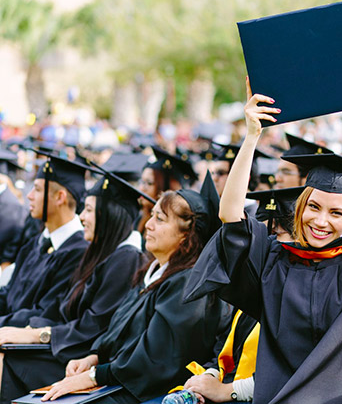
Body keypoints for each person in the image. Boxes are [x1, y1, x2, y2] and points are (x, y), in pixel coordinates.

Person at [183, 60, 342, 403]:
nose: (321, 221)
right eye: (314, 207)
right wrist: (251, 135)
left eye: (336, 212)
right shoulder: (274, 261)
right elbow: (230, 216)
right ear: (300, 207)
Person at [38, 173, 223, 403]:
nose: (149, 225)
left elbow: (156, 358)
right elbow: (120, 329)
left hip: (151, 392)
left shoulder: (188, 284)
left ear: (187, 235)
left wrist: (95, 376)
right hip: (121, 382)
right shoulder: (153, 273)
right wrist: (94, 358)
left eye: (161, 219)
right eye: (151, 216)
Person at [0, 170, 150, 403]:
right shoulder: (98, 254)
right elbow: (61, 311)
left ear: (108, 214)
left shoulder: (126, 258)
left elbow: (94, 326)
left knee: (3, 359)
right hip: (68, 351)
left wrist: (37, 335)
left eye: (89, 210)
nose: (81, 217)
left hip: (79, 358)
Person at [0, 152, 91, 327]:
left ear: (60, 197)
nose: (29, 195)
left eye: (38, 189)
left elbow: (46, 314)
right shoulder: (37, 242)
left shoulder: (79, 252)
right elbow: (8, 294)